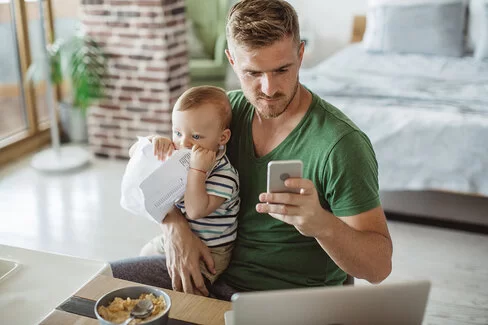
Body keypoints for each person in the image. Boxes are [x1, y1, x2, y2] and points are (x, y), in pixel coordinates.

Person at [112, 0, 393, 301]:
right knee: (102, 288)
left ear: (300, 55)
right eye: (253, 73)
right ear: (232, 61)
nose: (269, 89)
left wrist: (322, 225)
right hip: (210, 278)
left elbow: (378, 269)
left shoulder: (341, 145)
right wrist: (174, 226)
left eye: (282, 69)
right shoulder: (223, 114)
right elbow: (159, 180)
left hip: (283, 301)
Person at [130, 86, 240, 287]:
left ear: (222, 138)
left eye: (196, 137)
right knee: (145, 253)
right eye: (177, 132)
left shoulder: (224, 174)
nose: (183, 143)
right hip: (179, 237)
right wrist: (152, 142)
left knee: (185, 286)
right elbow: (134, 154)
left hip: (212, 251)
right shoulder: (180, 151)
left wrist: (197, 172)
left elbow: (194, 210)